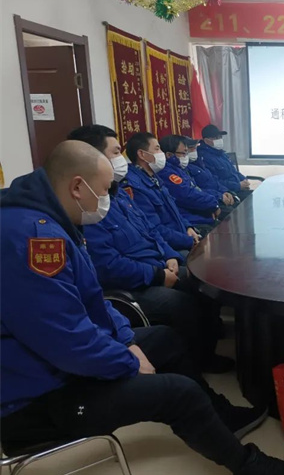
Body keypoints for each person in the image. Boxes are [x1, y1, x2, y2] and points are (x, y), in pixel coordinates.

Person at [0, 140, 284, 475]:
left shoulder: (54, 219)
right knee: (178, 394)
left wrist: (127, 340)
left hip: (60, 362)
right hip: (36, 397)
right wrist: (127, 360)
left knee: (165, 340)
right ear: (77, 187)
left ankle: (219, 415)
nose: (108, 198)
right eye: (104, 190)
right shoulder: (32, 239)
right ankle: (248, 466)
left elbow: (92, 299)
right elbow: (64, 339)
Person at [67, 125, 230, 372]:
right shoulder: (90, 208)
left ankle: (208, 342)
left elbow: (151, 231)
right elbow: (108, 266)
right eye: (115, 153)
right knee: (183, 304)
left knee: (205, 279)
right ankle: (199, 361)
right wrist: (157, 274)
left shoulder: (117, 194)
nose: (121, 160)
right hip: (133, 284)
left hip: (158, 264)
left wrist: (170, 256)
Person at [121, 132, 200, 254]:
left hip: (181, 237)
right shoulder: (135, 186)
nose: (161, 153)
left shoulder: (154, 177)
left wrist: (187, 226)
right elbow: (153, 227)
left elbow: (174, 210)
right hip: (166, 247)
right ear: (142, 154)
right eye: (157, 149)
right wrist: (187, 240)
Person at [158, 135, 221, 235]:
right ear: (169, 155)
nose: (186, 156)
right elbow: (187, 195)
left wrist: (216, 199)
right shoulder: (167, 173)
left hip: (198, 214)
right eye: (183, 153)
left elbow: (197, 189)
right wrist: (213, 204)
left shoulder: (180, 169)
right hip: (189, 220)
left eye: (187, 152)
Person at [198, 124, 252, 199]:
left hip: (238, 190)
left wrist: (244, 180)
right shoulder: (204, 158)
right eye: (216, 138)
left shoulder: (222, 154)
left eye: (220, 137)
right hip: (227, 193)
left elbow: (234, 171)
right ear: (207, 141)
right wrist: (238, 186)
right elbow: (214, 182)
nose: (220, 140)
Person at [186, 136, 237, 208]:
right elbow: (197, 190)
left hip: (218, 196)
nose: (194, 150)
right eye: (191, 148)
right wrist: (219, 196)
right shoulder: (186, 168)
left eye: (195, 147)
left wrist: (225, 191)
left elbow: (214, 181)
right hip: (209, 201)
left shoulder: (200, 163)